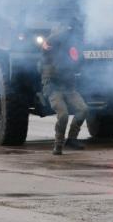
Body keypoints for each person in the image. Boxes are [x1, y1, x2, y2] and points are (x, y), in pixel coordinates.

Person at [40, 27, 90, 155]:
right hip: (53, 87)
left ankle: (72, 139)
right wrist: (68, 29)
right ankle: (58, 144)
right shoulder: (49, 49)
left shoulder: (72, 50)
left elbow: (79, 63)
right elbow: (50, 40)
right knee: (63, 115)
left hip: (68, 87)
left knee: (83, 109)